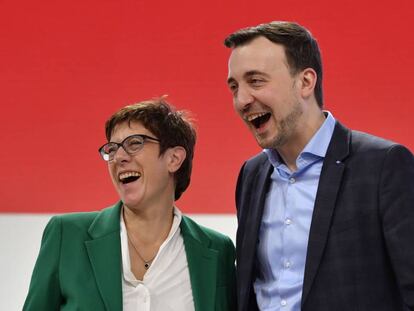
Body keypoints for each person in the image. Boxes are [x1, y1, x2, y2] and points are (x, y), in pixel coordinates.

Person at [224, 21, 414, 311]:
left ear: (306, 82)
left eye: (256, 81)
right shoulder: (252, 175)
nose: (242, 100)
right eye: (234, 87)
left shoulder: (383, 166)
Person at [23, 98, 236, 311]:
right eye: (112, 149)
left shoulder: (217, 250)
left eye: (135, 143)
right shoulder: (67, 235)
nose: (119, 157)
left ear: (174, 158)